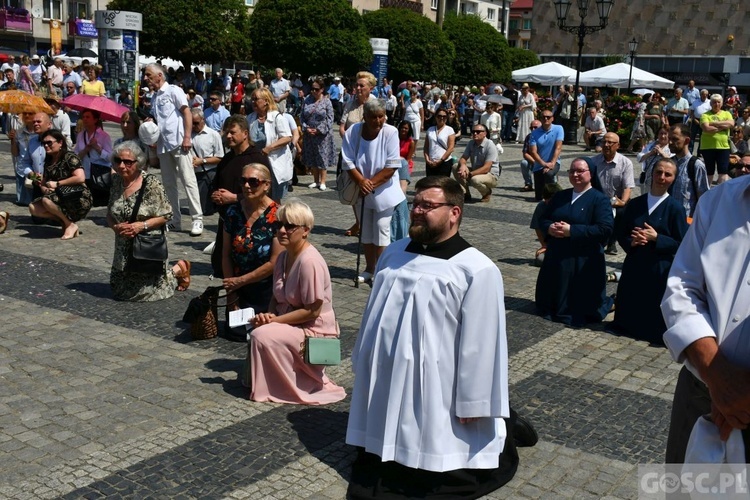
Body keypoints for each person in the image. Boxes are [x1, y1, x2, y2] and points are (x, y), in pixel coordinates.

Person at [346, 176, 521, 499]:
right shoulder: (393, 254)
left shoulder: (475, 269)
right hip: (387, 373)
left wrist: (475, 400)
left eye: (428, 205)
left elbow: (484, 344)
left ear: (454, 212)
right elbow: (373, 315)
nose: (416, 211)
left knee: (430, 446)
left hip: (438, 383)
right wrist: (365, 358)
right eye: (416, 203)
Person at [661, 173, 750, 463]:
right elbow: (681, 287)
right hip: (700, 393)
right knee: (681, 491)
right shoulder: (719, 200)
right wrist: (718, 375)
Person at [248, 199, 345, 405]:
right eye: (278, 225)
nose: (282, 230)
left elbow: (312, 311)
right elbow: (276, 295)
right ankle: (279, 382)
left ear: (305, 230)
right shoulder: (283, 257)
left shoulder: (309, 262)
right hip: (292, 321)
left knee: (262, 334)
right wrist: (270, 315)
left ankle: (293, 385)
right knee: (259, 328)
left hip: (314, 329)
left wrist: (275, 322)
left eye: (289, 226)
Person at [612, 159, 688, 344]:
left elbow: (682, 243)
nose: (662, 177)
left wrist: (657, 238)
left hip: (659, 268)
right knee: (632, 299)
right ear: (652, 174)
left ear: (673, 179)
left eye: (667, 174)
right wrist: (633, 241)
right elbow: (621, 233)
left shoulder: (675, 208)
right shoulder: (636, 204)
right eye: (659, 172)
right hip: (636, 262)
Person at [106, 141, 191, 301]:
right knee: (119, 291)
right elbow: (110, 213)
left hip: (145, 244)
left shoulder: (151, 183)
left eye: (128, 162)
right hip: (122, 249)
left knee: (144, 295)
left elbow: (167, 214)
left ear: (138, 163)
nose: (122, 166)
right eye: (118, 161)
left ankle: (178, 269)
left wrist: (141, 225)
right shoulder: (117, 181)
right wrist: (115, 226)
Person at [535, 158, 615, 327]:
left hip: (583, 258)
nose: (575, 174)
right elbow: (543, 219)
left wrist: (571, 231)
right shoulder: (560, 196)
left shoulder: (599, 200)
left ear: (591, 174)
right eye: (572, 171)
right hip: (558, 255)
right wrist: (549, 228)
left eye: (580, 171)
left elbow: (604, 229)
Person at [341, 99, 405, 284]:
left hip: (384, 190)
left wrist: (370, 184)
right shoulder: (354, 131)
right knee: (366, 231)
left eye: (381, 116)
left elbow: (392, 165)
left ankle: (381, 270)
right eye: (374, 117)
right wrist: (361, 181)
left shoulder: (391, 132)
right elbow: (347, 161)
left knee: (381, 229)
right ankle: (369, 268)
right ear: (365, 117)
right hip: (361, 188)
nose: (378, 121)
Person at [222, 163, 282, 339]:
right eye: (243, 181)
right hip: (238, 289)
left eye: (253, 181)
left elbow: (274, 262)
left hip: (267, 290)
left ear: (266, 185)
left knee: (264, 333)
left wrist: (240, 281)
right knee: (235, 333)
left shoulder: (277, 215)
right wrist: (231, 294)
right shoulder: (233, 212)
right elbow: (225, 254)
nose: (247, 186)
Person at [144, 63, 204, 236]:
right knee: (169, 184)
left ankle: (197, 219)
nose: (146, 79)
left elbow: (186, 113)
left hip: (178, 142)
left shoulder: (173, 90)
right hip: (163, 144)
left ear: (159, 76)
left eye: (149, 75)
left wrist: (187, 137)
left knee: (188, 180)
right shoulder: (155, 97)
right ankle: (175, 220)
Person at [28, 130, 92, 240]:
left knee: (46, 201)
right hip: (59, 195)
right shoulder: (49, 160)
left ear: (60, 142)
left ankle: (70, 225)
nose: (46, 146)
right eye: (44, 143)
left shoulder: (69, 156)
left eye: (49, 143)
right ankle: (66, 222)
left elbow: (80, 177)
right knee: (33, 208)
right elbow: (45, 181)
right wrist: (35, 179)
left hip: (77, 195)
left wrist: (57, 183)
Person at [590, 132, 635, 255]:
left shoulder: (626, 163)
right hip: (598, 197)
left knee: (621, 212)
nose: (606, 145)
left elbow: (627, 187)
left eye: (610, 142)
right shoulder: (593, 162)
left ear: (618, 145)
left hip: (617, 198)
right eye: (604, 142)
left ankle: (612, 242)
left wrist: (623, 202)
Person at [246, 87, 293, 201]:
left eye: (256, 99)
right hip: (257, 162)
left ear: (266, 101)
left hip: (274, 162)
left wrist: (270, 148)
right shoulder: (250, 118)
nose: (253, 102)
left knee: (274, 198)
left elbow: (287, 137)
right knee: (258, 195)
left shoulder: (277, 117)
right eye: (252, 99)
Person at [300, 78, 335, 191]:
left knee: (322, 157)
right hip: (309, 134)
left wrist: (319, 129)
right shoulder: (307, 100)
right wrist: (306, 128)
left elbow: (330, 118)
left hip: (322, 135)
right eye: (312, 89)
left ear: (322, 90)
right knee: (312, 157)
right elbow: (301, 116)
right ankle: (315, 181)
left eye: (316, 89)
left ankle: (323, 181)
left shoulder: (326, 102)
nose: (314, 91)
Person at [73, 109, 113, 207]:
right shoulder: (81, 135)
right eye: (83, 117)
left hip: (100, 175)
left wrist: (97, 148)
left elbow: (110, 158)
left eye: (88, 117)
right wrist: (85, 150)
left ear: (95, 120)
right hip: (85, 174)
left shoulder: (104, 136)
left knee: (99, 204)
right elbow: (75, 157)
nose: (85, 119)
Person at [453, 123, 500, 203]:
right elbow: (463, 158)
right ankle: (466, 193)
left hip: (490, 175)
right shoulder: (471, 143)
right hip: (476, 171)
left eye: (478, 132)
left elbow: (486, 168)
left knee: (475, 180)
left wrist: (470, 174)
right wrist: (463, 166)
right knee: (455, 166)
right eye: (473, 131)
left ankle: (486, 192)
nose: (475, 133)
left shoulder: (490, 145)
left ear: (485, 133)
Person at [528, 110, 564, 202]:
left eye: (548, 117)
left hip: (554, 161)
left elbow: (558, 147)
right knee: (539, 197)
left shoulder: (558, 128)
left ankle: (556, 195)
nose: (546, 119)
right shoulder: (534, 133)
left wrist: (552, 163)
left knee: (549, 174)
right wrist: (544, 164)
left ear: (552, 118)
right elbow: (533, 152)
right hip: (539, 164)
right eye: (543, 117)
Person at [700, 93, 734, 185]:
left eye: (718, 102)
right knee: (709, 171)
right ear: (711, 103)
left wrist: (713, 123)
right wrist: (723, 126)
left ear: (721, 103)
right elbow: (706, 128)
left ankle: (721, 192)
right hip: (707, 147)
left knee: (723, 171)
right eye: (714, 102)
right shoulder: (705, 115)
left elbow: (731, 124)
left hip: (723, 147)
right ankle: (707, 192)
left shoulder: (727, 113)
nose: (716, 104)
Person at [530, 183, 564, 266]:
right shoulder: (541, 207)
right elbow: (537, 227)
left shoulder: (565, 206)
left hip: (566, 244)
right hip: (551, 244)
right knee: (540, 260)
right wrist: (545, 246)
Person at [637, 125, 672, 195]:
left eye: (665, 134)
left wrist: (662, 153)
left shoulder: (671, 147)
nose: (662, 136)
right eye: (661, 133)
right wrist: (650, 153)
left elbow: (673, 162)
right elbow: (639, 158)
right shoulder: (651, 145)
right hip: (648, 178)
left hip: (662, 179)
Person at [423, 109, 456, 177]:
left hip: (444, 162)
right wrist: (427, 159)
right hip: (431, 162)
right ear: (435, 117)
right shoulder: (430, 129)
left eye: (444, 116)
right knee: (430, 184)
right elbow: (426, 147)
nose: (442, 118)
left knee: (442, 184)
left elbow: (451, 147)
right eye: (439, 116)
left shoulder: (449, 130)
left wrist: (441, 160)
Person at [519, 120, 541, 192]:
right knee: (524, 163)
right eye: (531, 128)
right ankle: (528, 184)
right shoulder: (528, 137)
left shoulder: (545, 136)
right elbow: (525, 153)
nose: (533, 129)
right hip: (533, 160)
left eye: (535, 127)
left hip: (543, 161)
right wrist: (534, 162)